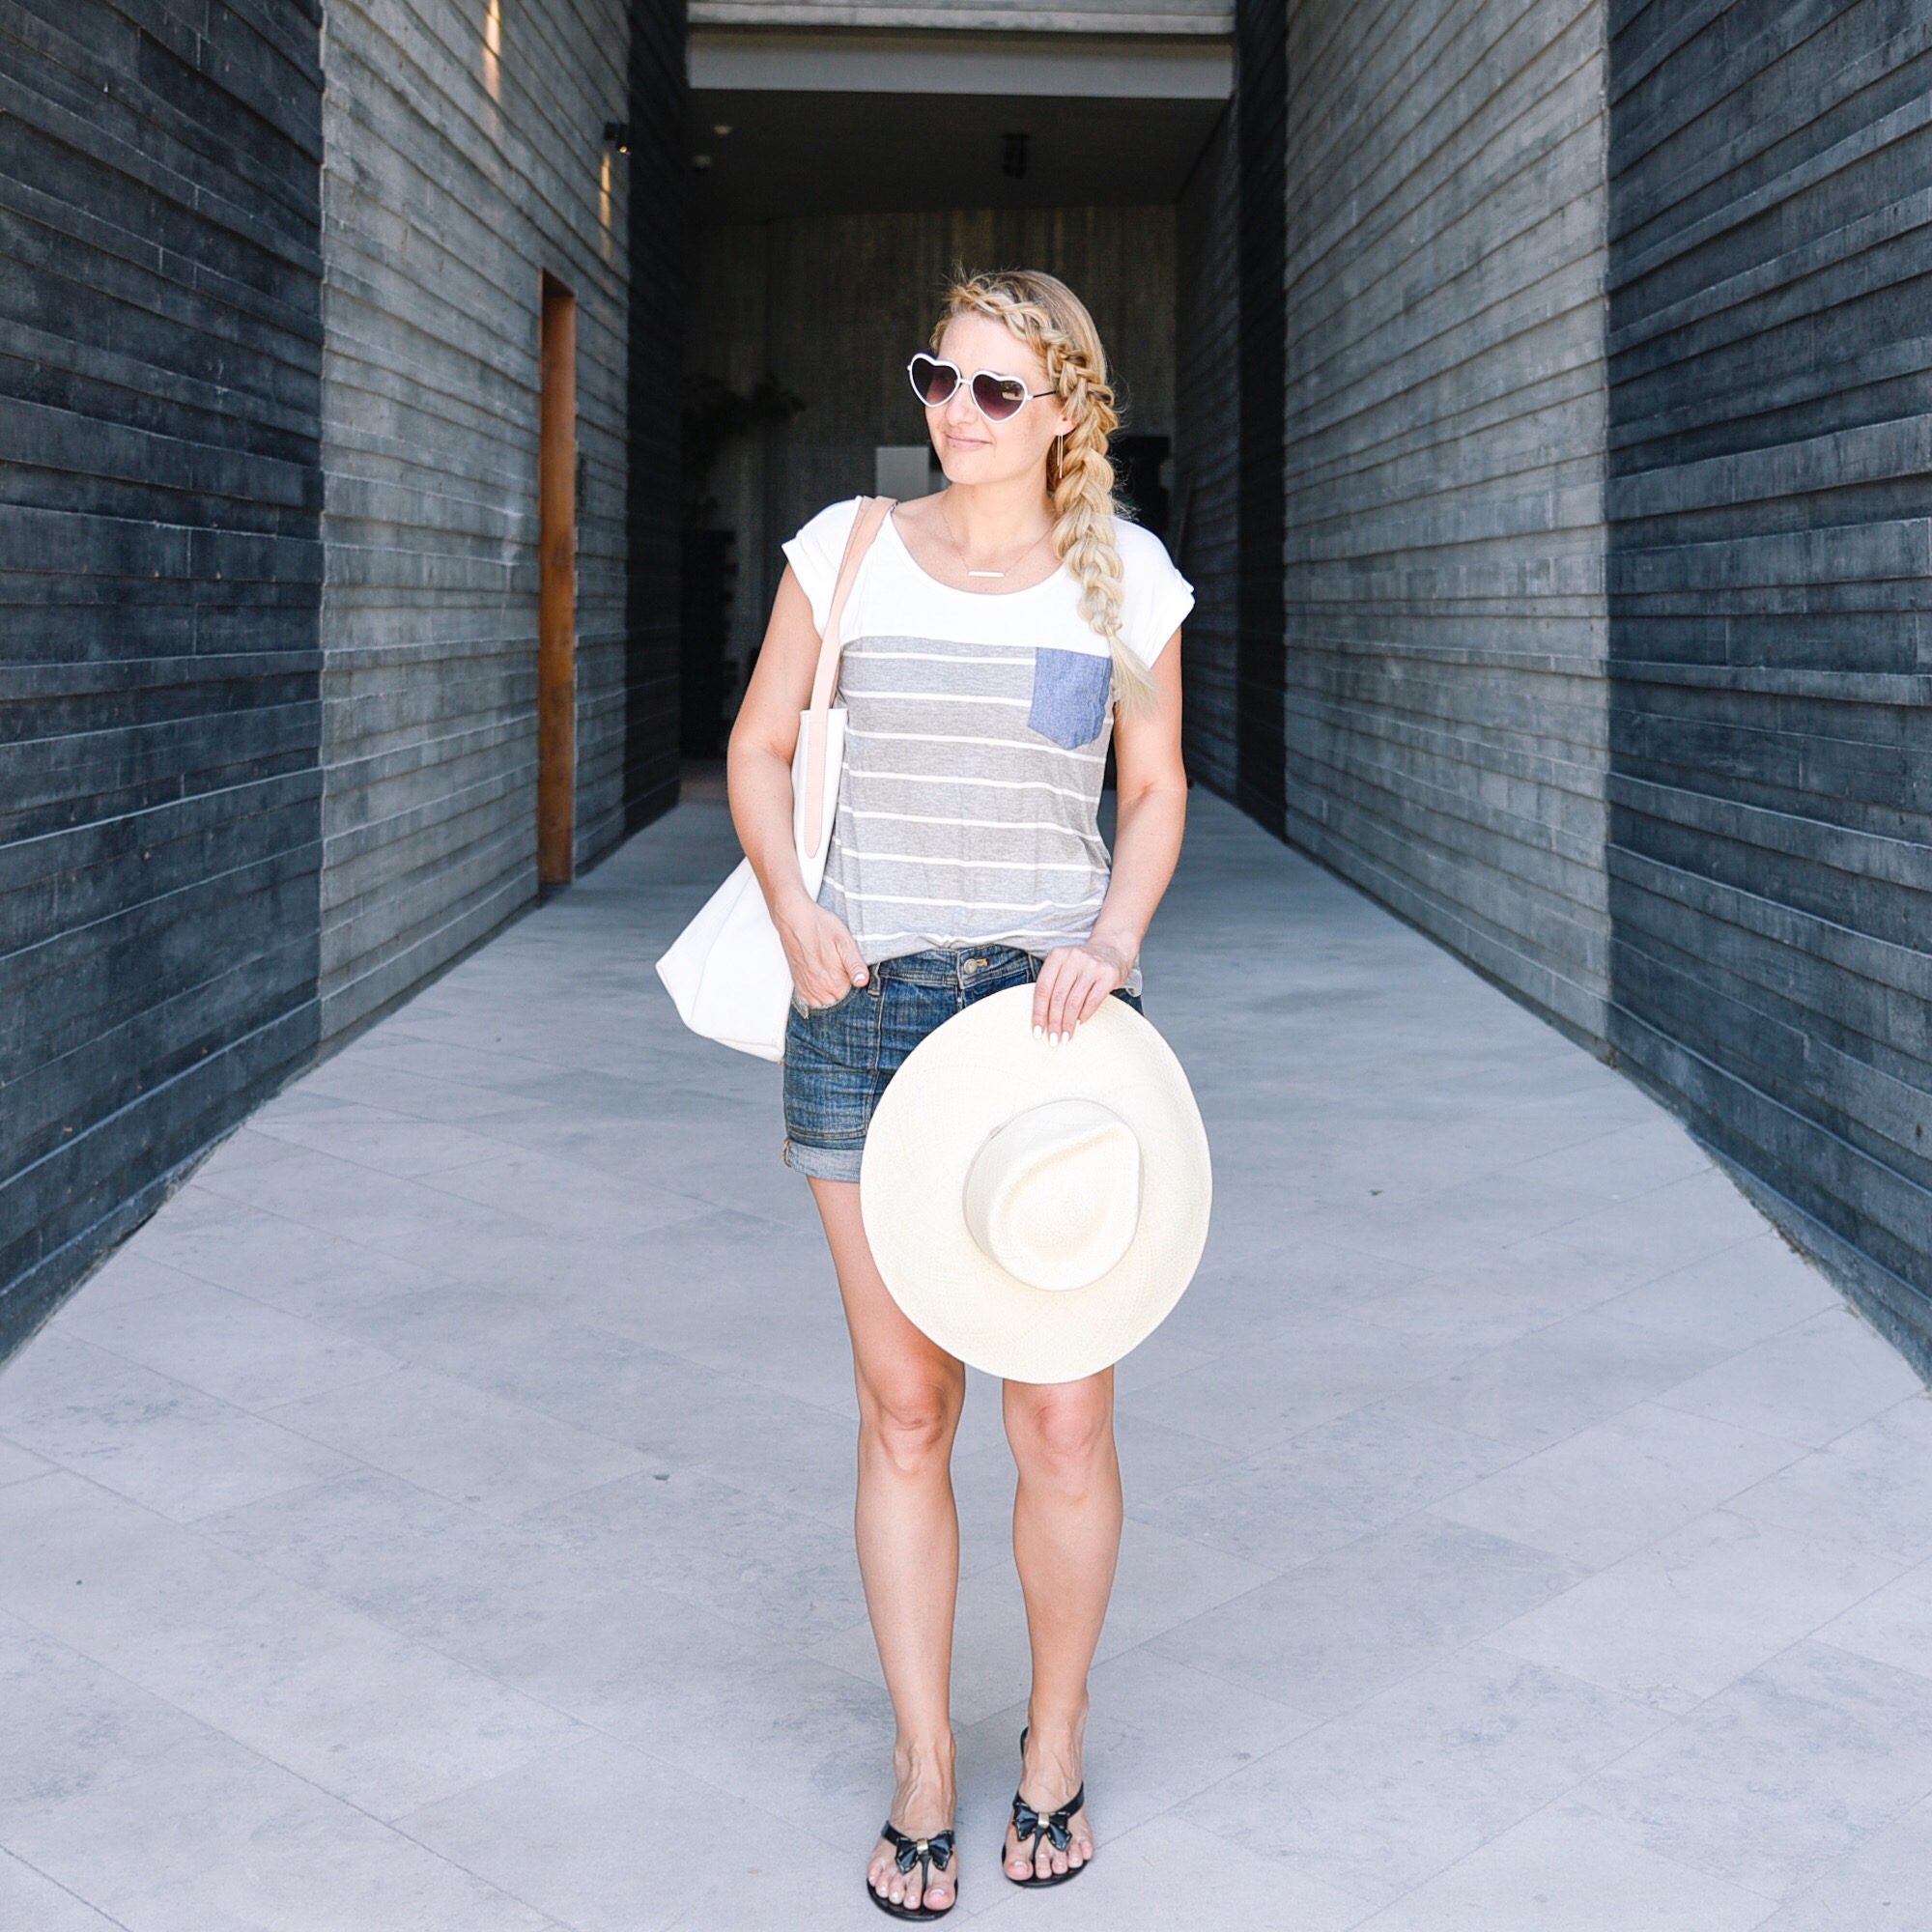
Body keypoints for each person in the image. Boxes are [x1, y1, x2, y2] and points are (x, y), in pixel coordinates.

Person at [726, 269, 1192, 1919]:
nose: (958, 414)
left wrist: (1118, 935)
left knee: (1061, 1414)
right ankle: (927, 1762)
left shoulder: (1122, 578)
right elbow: (762, 745)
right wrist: (792, 905)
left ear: (1067, 408)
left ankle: (1052, 1741)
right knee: (904, 1410)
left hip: (1052, 1030)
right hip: (864, 1011)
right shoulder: (844, 551)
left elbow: (1152, 792)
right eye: (941, 377)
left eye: (999, 390)